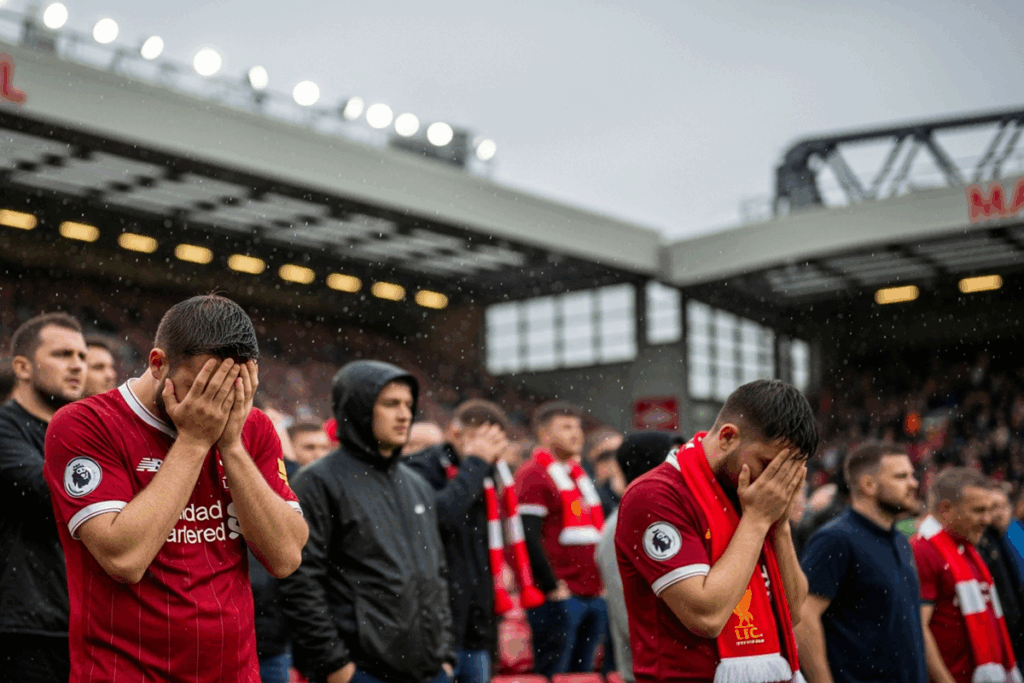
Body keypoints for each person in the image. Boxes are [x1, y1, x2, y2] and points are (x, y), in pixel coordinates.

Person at [43, 294, 309, 683]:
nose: (217, 405)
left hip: (234, 674)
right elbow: (124, 559)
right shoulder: (85, 424)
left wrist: (232, 447)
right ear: (157, 363)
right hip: (126, 673)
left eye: (233, 389)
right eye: (203, 387)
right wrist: (195, 442)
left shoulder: (252, 427)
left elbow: (285, 557)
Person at [615, 379, 816, 683]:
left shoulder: (753, 495)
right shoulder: (654, 495)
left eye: (788, 471)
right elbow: (705, 616)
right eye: (768, 464)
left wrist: (780, 525)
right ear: (727, 437)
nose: (776, 482)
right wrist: (757, 520)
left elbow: (793, 612)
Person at [280, 360, 456, 683]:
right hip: (362, 673)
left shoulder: (417, 485)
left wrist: (445, 654)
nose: (404, 415)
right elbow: (299, 581)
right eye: (390, 404)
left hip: (431, 671)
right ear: (358, 408)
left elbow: (437, 574)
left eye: (408, 404)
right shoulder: (317, 482)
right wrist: (334, 664)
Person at [0, 312, 87, 683]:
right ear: (22, 366)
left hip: (80, 627)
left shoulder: (77, 435)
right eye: (63, 354)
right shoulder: (5, 429)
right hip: (22, 631)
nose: (77, 365)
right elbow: (51, 493)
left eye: (82, 356)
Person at [796, 443, 927, 683]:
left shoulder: (900, 540)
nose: (914, 483)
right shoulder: (835, 539)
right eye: (901, 476)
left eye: (912, 475)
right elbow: (803, 617)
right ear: (868, 485)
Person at [405, 399, 511, 683]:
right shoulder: (421, 467)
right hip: (437, 627)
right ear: (455, 432)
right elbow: (439, 516)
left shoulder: (489, 475)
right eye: (481, 439)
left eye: (494, 442)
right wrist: (475, 463)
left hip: (476, 627)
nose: (488, 449)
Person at [515, 401, 607, 676]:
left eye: (578, 427)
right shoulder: (533, 474)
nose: (576, 434)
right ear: (544, 434)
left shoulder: (579, 476)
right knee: (556, 673)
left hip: (592, 593)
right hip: (560, 596)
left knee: (585, 675)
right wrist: (551, 585)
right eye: (566, 427)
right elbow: (528, 536)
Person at [911, 467, 1021, 683]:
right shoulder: (924, 550)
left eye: (989, 510)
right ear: (945, 509)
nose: (987, 519)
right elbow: (918, 628)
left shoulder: (967, 548)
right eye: (978, 510)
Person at [595, 431, 682, 683]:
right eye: (673, 459)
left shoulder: (666, 515)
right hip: (650, 670)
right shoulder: (620, 526)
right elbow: (629, 615)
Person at [978, 485, 1024, 664]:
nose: (1000, 513)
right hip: (1005, 636)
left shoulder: (1014, 532)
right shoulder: (983, 544)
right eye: (994, 507)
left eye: (1004, 506)